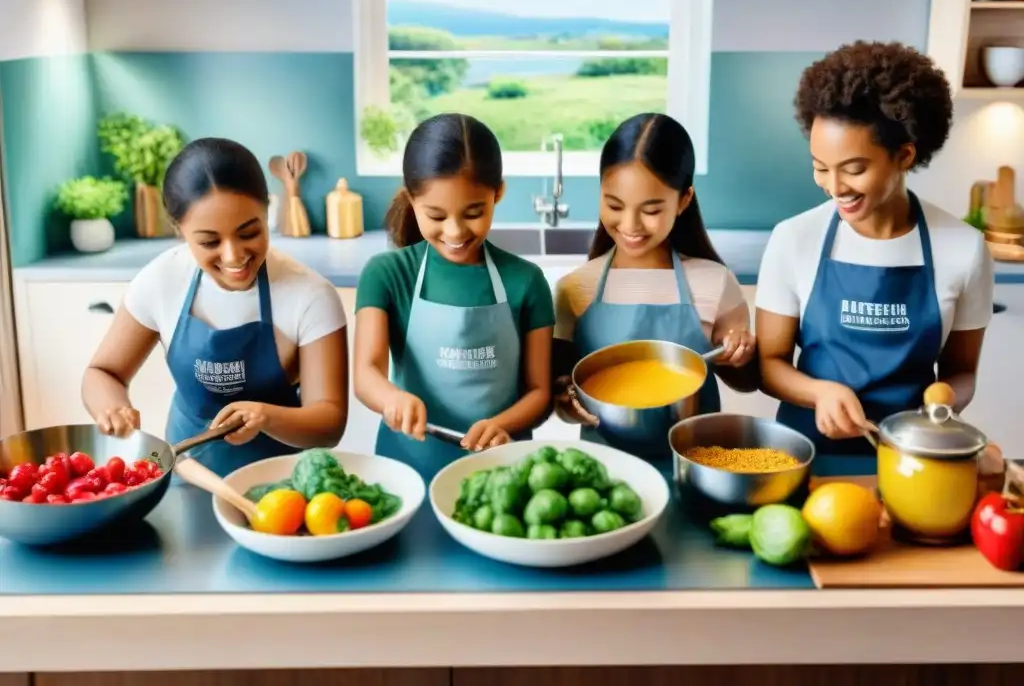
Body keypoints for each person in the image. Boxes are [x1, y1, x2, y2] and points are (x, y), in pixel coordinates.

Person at [755, 40, 1001, 467]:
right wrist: (820, 393)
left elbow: (961, 372)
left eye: (854, 169)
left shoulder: (963, 249)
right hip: (803, 457)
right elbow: (770, 363)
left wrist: (936, 413)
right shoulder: (794, 238)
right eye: (819, 166)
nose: (834, 187)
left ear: (904, 155)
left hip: (911, 459)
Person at [82, 138, 349, 477]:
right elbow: (103, 373)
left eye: (249, 232)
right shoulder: (160, 281)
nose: (233, 255)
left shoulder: (310, 295)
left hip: (285, 487)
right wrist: (112, 407)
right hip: (188, 472)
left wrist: (264, 417)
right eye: (209, 241)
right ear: (179, 230)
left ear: (267, 209)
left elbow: (329, 422)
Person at [353, 113, 554, 478]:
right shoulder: (387, 274)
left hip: (504, 472)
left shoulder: (527, 281)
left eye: (474, 212)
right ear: (410, 198)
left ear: (499, 193)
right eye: (436, 215)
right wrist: (392, 399)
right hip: (408, 470)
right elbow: (367, 373)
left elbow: (539, 391)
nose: (455, 231)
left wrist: (503, 423)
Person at [552, 113, 758, 456]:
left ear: (684, 199)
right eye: (614, 205)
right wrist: (565, 402)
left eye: (651, 209)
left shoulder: (715, 282)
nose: (630, 224)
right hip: (605, 471)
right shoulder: (573, 289)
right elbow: (561, 396)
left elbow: (748, 383)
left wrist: (739, 357)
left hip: (696, 462)